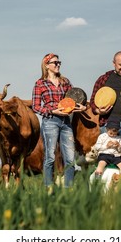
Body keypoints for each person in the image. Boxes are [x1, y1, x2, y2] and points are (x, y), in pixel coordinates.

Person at [32, 53, 86, 190]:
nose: (58, 65)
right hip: (50, 121)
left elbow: (75, 98)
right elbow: (36, 106)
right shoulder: (40, 83)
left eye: (59, 62)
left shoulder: (65, 82)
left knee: (69, 158)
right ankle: (48, 187)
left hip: (66, 121)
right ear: (46, 65)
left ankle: (68, 189)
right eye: (55, 62)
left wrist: (83, 107)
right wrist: (52, 111)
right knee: (50, 156)